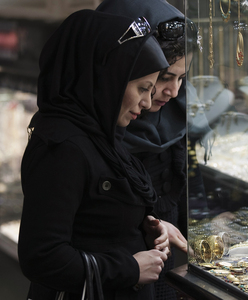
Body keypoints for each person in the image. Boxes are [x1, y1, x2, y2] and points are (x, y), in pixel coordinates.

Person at [18, 9, 172, 300]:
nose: (147, 101)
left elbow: (93, 224)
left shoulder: (101, 136)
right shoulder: (64, 147)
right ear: (109, 76)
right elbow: (42, 257)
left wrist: (142, 229)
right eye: (142, 87)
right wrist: (129, 267)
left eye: (151, 90)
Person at [96, 1, 212, 299]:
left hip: (167, 256)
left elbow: (188, 178)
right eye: (164, 77)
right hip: (112, 271)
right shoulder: (89, 131)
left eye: (182, 78)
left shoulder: (178, 109)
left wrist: (202, 233)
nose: (173, 92)